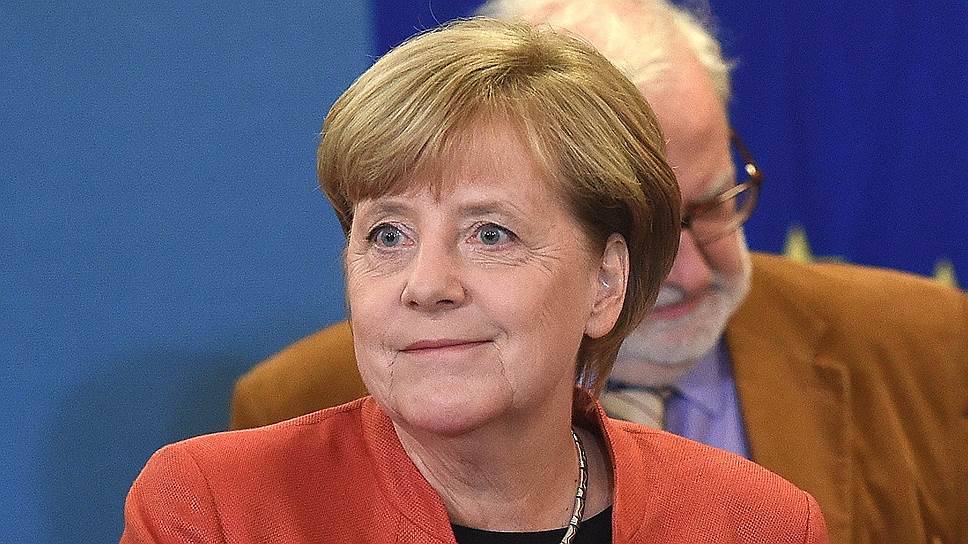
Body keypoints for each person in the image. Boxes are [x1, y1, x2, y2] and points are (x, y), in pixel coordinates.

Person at [229, 2, 968, 543]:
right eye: (389, 234)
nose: (681, 271)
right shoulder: (289, 416)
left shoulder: (931, 346)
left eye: (711, 206)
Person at [122, 18, 828, 544]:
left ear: (606, 281)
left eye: (490, 234)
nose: (426, 284)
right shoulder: (216, 509)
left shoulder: (756, 524)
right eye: (388, 235)